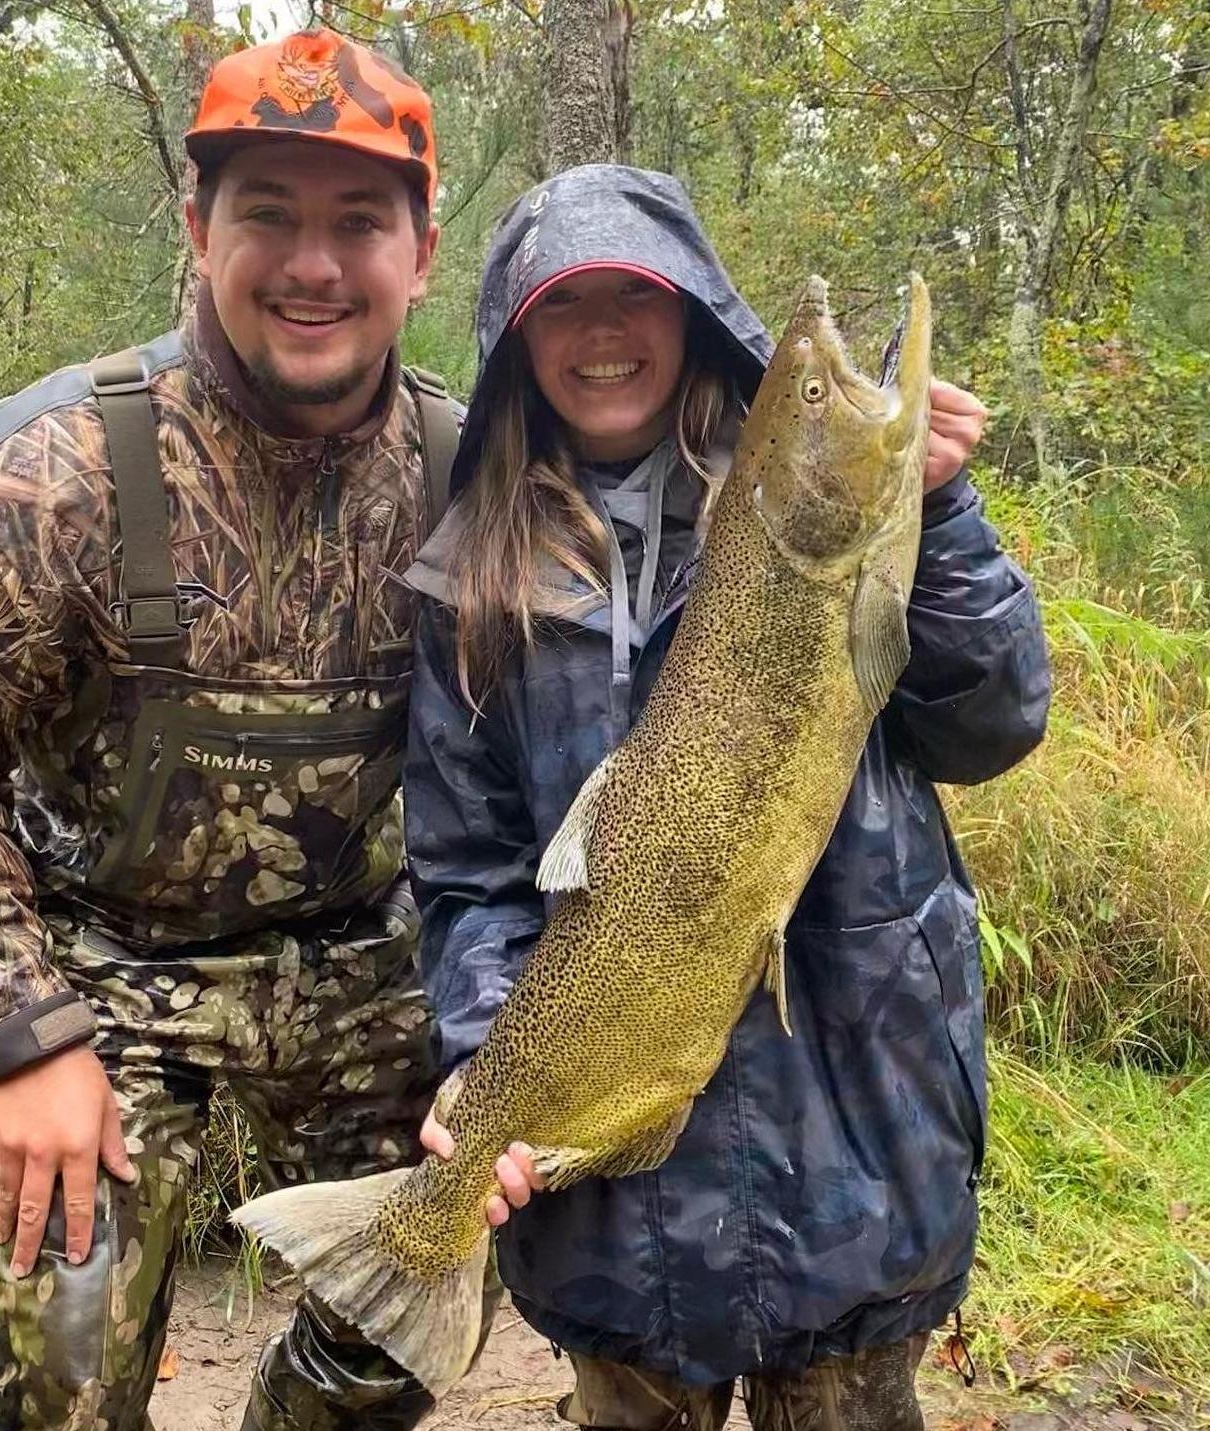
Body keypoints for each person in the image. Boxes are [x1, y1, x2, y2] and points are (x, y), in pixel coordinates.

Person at [0, 28, 489, 1431]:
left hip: (365, 965)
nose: (312, 265)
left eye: (357, 222)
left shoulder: (474, 477)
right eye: (267, 214)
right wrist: (24, 1036)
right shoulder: (46, 477)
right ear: (198, 228)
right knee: (62, 1372)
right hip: (105, 968)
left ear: (422, 253)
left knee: (416, 1317)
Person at [405, 164, 1050, 1430]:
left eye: (635, 296)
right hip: (616, 1212)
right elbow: (467, 870)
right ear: (514, 338)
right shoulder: (467, 582)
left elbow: (988, 724)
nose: (600, 333)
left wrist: (938, 510)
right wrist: (487, 1053)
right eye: (560, 302)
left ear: (694, 308)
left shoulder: (819, 513)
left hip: (856, 1129)